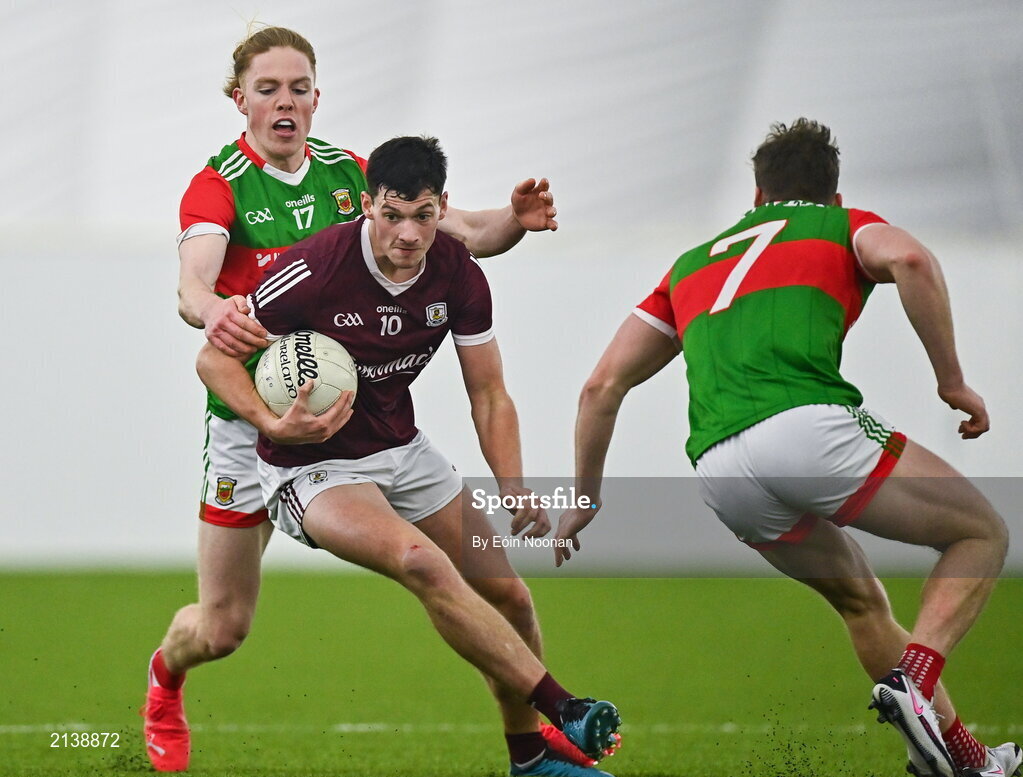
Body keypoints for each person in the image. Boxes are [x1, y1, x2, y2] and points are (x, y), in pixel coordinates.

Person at [144, 25, 574, 773]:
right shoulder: (217, 185)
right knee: (221, 626)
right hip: (250, 420)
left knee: (482, 576)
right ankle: (165, 676)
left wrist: (514, 221)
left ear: (317, 97)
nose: (286, 101)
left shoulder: (352, 173)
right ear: (238, 98)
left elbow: (456, 226)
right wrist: (209, 306)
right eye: (269, 87)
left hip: (356, 425)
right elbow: (194, 281)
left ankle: (534, 745)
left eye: (299, 86)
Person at [554, 118, 1019, 777]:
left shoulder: (690, 263)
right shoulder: (842, 224)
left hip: (720, 471)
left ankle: (966, 759)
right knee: (981, 534)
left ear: (755, 193)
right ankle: (913, 678)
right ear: (830, 193)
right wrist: (951, 381)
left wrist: (582, 499)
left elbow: (601, 384)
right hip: (806, 430)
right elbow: (910, 259)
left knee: (860, 600)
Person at [196, 135, 622, 777]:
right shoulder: (316, 269)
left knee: (512, 598)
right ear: (367, 206)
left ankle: (530, 759)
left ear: (441, 207)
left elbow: (489, 391)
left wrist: (513, 486)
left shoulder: (457, 273)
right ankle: (562, 707)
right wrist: (270, 421)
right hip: (311, 469)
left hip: (402, 449)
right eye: (392, 215)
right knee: (420, 561)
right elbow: (212, 358)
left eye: (423, 216)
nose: (406, 233)